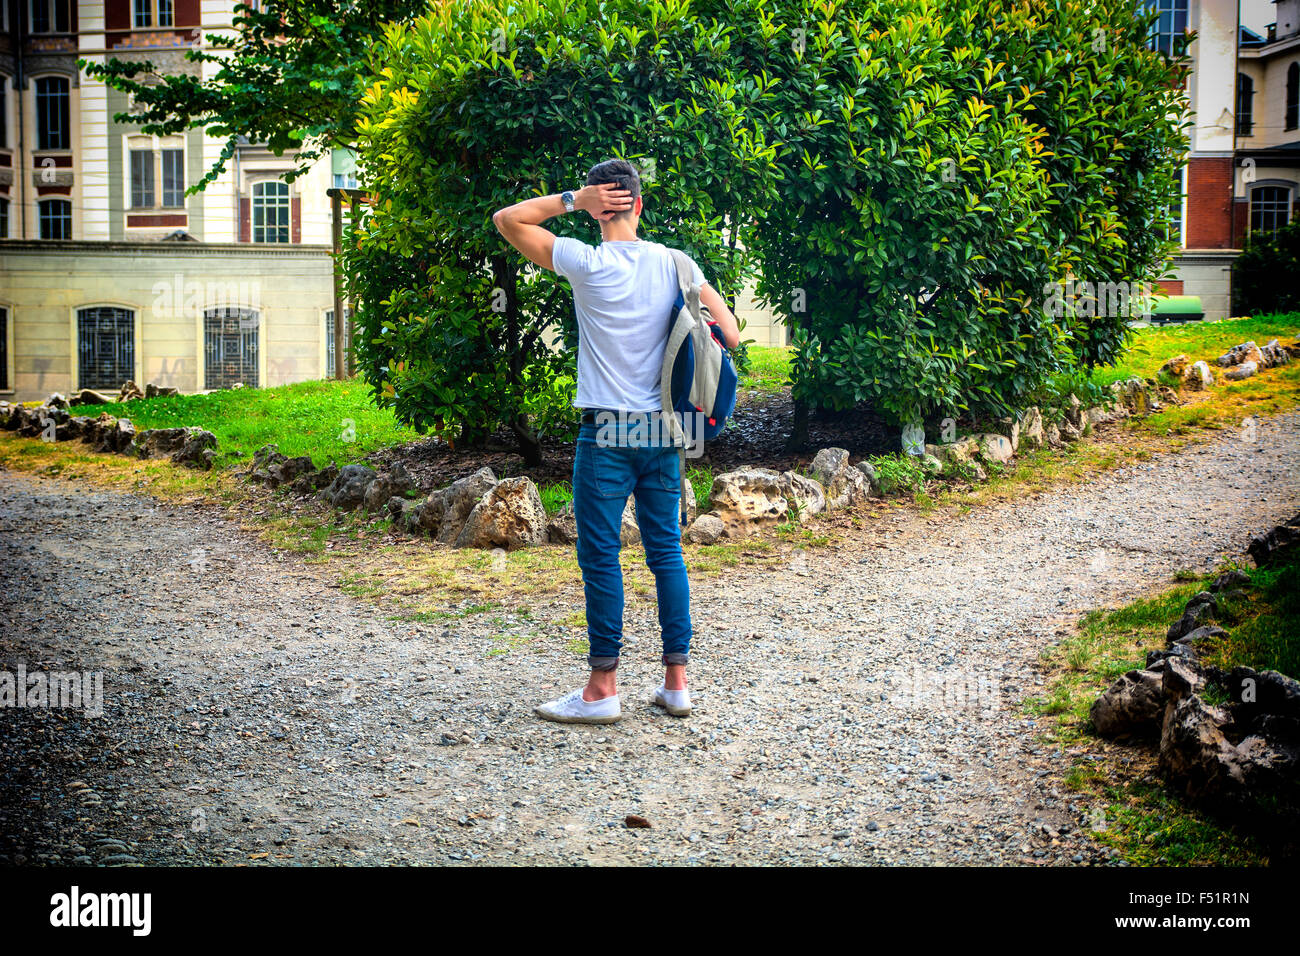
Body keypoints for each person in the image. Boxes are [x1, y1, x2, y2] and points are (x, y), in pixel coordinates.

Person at [492, 158, 740, 724]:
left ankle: (603, 688)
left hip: (606, 434)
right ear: (639, 204)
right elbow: (727, 333)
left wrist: (571, 200)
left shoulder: (584, 261)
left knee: (602, 557)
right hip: (665, 432)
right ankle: (676, 683)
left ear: (599, 208)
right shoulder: (678, 263)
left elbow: (508, 219)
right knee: (666, 552)